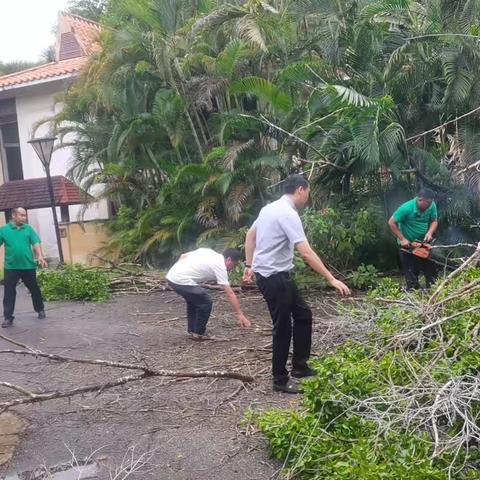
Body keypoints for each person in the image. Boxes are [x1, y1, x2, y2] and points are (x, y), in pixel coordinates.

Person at [243, 174, 351, 393]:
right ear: (301, 189)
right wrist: (331, 278)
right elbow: (306, 252)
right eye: (308, 192)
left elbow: (250, 236)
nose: (307, 197)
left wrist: (249, 264)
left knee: (303, 314)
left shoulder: (269, 209)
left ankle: (300, 367)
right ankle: (279, 379)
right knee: (282, 326)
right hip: (274, 277)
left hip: (279, 274)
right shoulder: (287, 213)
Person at [166, 247, 251, 339]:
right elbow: (229, 293)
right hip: (180, 280)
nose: (232, 268)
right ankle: (198, 333)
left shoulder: (209, 252)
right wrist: (239, 314)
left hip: (171, 276)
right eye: (233, 265)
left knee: (195, 301)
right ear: (229, 259)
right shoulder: (220, 265)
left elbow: (183, 256)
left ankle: (193, 330)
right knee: (205, 302)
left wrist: (178, 270)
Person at [0, 207, 48, 328]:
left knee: (34, 289)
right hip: (11, 267)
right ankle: (8, 318)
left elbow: (35, 242)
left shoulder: (28, 229)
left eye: (25, 215)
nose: (24, 218)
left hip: (28, 266)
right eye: (21, 215)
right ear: (14, 216)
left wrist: (40, 256)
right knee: (9, 292)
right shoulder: (4, 230)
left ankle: (40, 309)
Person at [388, 189, 439, 290]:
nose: (430, 205)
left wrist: (429, 232)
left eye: (431, 202)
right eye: (428, 203)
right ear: (420, 200)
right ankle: (413, 291)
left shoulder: (431, 205)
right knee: (411, 273)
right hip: (408, 246)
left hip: (424, 244)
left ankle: (432, 289)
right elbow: (391, 222)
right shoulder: (406, 208)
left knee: (431, 270)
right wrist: (402, 239)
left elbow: (434, 221)